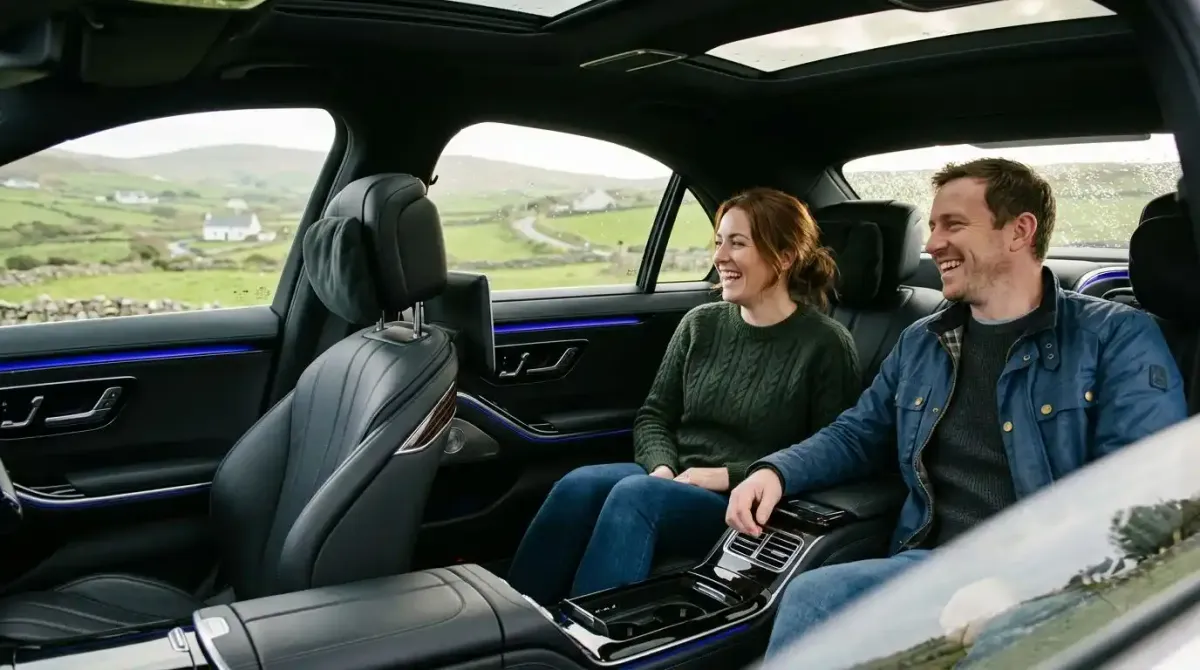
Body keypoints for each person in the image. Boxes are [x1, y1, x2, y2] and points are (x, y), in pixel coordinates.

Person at [724, 158, 1189, 657]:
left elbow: (1145, 502)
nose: (931, 243)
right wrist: (775, 472)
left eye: (954, 225)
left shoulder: (1116, 338)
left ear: (1020, 231)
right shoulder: (923, 341)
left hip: (1066, 577)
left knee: (1002, 643)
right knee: (812, 596)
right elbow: (858, 432)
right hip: (933, 566)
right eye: (932, 226)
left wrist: (1019, 582)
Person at [505, 187, 863, 606]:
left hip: (743, 505)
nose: (720, 257)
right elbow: (654, 415)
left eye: (738, 243)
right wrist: (660, 468)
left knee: (636, 497)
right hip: (674, 480)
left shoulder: (825, 344)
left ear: (783, 257)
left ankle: (590, 644)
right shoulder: (701, 324)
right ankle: (511, 627)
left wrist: (729, 475)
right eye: (718, 242)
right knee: (579, 483)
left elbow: (827, 455)